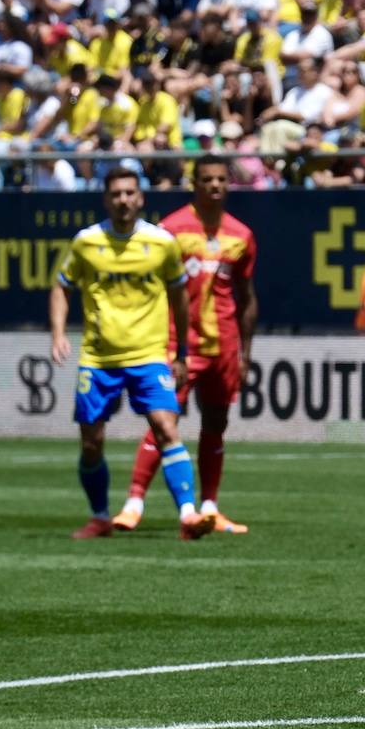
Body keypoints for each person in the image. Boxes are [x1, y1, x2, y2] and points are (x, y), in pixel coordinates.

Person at [48, 167, 217, 541]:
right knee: (92, 443)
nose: (123, 200)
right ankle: (100, 517)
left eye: (130, 193)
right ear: (106, 199)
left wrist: (182, 351)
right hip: (99, 358)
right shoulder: (86, 243)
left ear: (141, 198)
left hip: (148, 355)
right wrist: (59, 333)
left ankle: (189, 516)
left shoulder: (161, 243)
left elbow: (179, 296)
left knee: (166, 427)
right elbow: (61, 286)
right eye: (116, 194)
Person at [111, 155, 258, 535]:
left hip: (222, 345)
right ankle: (133, 503)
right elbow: (152, 289)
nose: (215, 186)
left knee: (216, 423)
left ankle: (210, 507)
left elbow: (246, 296)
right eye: (207, 180)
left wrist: (245, 353)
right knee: (164, 421)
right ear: (194, 184)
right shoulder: (171, 230)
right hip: (178, 344)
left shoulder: (240, 235)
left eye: (221, 180)